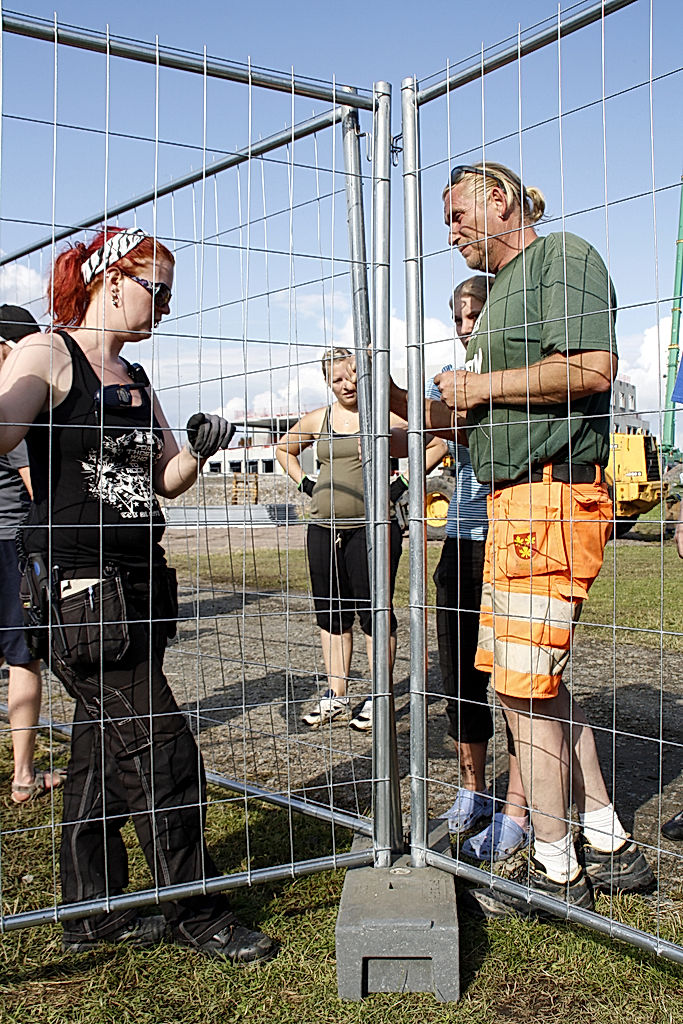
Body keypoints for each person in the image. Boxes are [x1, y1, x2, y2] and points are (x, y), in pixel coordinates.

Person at [0, 227, 276, 962]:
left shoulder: (136, 376)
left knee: (98, 747)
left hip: (138, 579)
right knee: (161, 750)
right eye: (158, 289)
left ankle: (92, 911)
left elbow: (165, 479)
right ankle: (195, 911)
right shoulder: (49, 353)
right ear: (109, 278)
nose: (165, 307)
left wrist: (200, 446)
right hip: (80, 588)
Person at [392, 162, 654, 914]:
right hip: (511, 502)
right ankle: (607, 842)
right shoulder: (500, 292)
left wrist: (480, 387)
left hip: (551, 495)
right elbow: (472, 424)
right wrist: (407, 399)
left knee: (520, 688)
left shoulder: (560, 257)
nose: (449, 234)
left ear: (499, 199)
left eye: (455, 215)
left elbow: (592, 368)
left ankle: (554, 869)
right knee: (531, 686)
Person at [431, 278, 529, 862]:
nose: (468, 325)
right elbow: (430, 436)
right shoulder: (447, 377)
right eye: (461, 317)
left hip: (511, 538)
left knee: (518, 680)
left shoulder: (512, 378)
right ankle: (474, 789)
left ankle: (520, 807)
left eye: (478, 314)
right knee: (460, 674)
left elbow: (455, 426)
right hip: (462, 541)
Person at [276, 348, 405, 731]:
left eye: (351, 376)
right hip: (323, 529)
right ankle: (337, 695)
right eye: (337, 379)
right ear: (327, 383)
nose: (346, 385)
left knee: (374, 615)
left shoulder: (383, 414)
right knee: (331, 616)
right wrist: (306, 482)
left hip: (372, 528)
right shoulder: (320, 418)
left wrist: (401, 487)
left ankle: (379, 697)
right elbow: (284, 449)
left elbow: (435, 443)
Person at [0, 305, 65, 803]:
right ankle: (23, 776)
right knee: (24, 659)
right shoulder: (18, 400)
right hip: (12, 543)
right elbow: (32, 483)